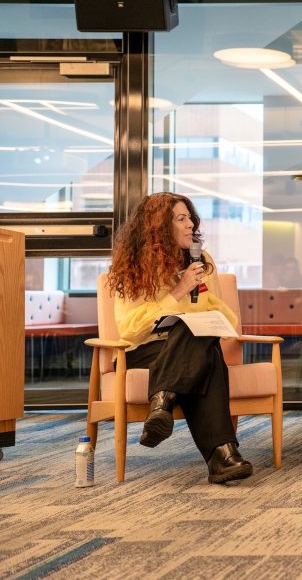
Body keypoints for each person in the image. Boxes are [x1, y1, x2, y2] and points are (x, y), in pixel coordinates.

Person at [106, 192, 253, 484]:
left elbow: (224, 318)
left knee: (199, 334)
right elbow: (130, 330)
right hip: (145, 350)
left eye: (190, 218)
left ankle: (162, 401)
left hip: (190, 348)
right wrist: (180, 290)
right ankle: (223, 456)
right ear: (159, 226)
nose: (191, 225)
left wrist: (204, 298)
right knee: (204, 351)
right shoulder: (133, 267)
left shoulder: (201, 261)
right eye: (181, 218)